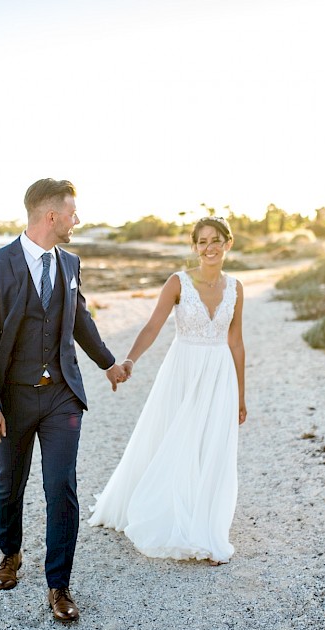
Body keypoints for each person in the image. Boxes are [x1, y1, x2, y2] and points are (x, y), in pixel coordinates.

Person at [0, 178, 127, 623]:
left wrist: (108, 364)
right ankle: (11, 555)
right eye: (73, 212)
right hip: (11, 399)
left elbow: (81, 321)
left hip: (61, 396)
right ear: (51, 216)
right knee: (9, 482)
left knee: (62, 487)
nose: (78, 219)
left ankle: (58, 585)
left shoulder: (71, 263)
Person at [88, 216, 246, 565]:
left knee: (209, 444)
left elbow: (236, 342)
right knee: (175, 438)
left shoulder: (236, 287)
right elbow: (153, 326)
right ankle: (172, 516)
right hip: (182, 369)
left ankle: (202, 519)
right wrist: (130, 359)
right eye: (202, 241)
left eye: (216, 240)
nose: (210, 247)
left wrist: (241, 394)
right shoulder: (177, 282)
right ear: (194, 246)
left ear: (228, 243)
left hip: (219, 373)